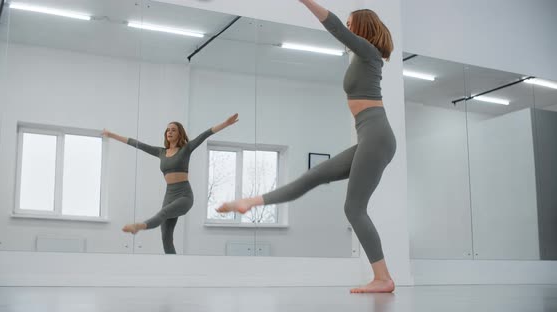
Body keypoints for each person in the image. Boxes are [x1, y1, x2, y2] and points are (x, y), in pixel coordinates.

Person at [217, 0, 396, 293]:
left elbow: (335, 26)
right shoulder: (362, 58)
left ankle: (383, 278)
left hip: (376, 135)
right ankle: (250, 202)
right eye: (349, 25)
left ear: (361, 28)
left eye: (353, 25)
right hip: (371, 136)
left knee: (354, 208)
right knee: (312, 177)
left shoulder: (368, 52)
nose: (348, 29)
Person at [103, 113, 239, 254]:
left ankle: (140, 226)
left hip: (184, 195)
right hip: (169, 194)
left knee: (163, 213)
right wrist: (112, 135)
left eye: (173, 130)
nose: (170, 132)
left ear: (180, 134)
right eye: (168, 130)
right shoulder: (161, 152)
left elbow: (205, 134)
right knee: (166, 237)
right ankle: (173, 266)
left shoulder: (186, 148)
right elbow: (137, 144)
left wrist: (226, 123)